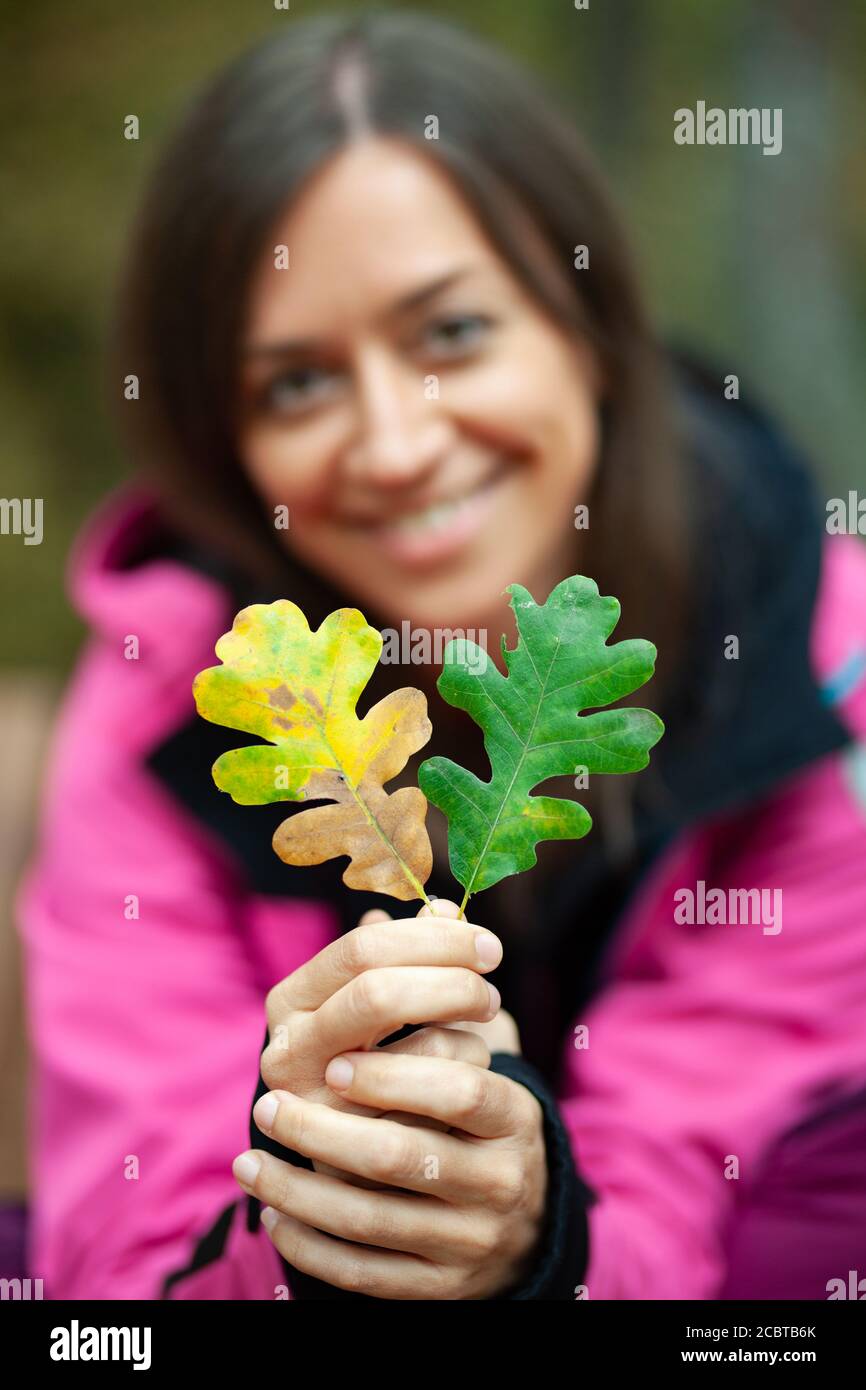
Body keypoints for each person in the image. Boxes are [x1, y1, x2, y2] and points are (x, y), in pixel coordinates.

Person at [16, 11, 866, 1301]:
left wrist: (535, 1238)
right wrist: (313, 1213)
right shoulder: (161, 695)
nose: (397, 446)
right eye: (296, 384)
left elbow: (682, 1199)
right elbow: (119, 1278)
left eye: (452, 333)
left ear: (582, 325)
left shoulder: (819, 666)